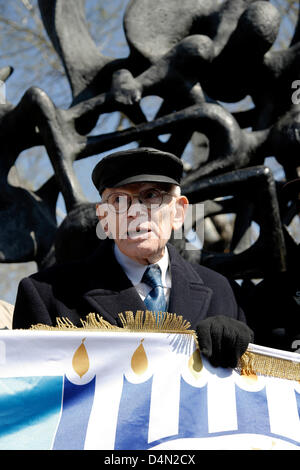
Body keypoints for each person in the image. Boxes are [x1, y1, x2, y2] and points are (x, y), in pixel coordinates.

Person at [12, 147, 253, 367]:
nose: (134, 212)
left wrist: (242, 353)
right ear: (104, 218)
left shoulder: (223, 293)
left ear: (179, 212)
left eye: (151, 196)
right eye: (118, 200)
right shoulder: (46, 296)